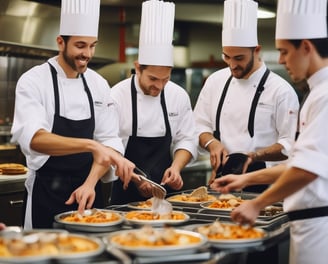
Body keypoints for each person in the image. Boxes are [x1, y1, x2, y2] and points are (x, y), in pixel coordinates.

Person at [211, 0, 328, 263]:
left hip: (319, 225)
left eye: (284, 51)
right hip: (309, 225)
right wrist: (244, 180)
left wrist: (257, 203)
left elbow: (307, 170)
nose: (282, 60)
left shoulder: (324, 96)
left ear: (306, 47)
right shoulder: (317, 93)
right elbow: (300, 162)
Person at [10, 0, 135, 229]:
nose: (87, 53)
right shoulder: (34, 81)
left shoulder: (98, 83)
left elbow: (110, 140)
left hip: (88, 193)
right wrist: (91, 145)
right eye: (80, 45)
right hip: (46, 192)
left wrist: (90, 183)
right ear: (60, 42)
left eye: (92, 46)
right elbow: (35, 139)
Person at [193, 0, 299, 193]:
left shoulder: (281, 91)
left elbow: (289, 144)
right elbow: (198, 126)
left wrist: (255, 155)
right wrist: (211, 143)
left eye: (239, 58)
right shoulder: (215, 81)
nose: (232, 65)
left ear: (256, 50)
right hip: (221, 182)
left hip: (266, 186)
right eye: (226, 56)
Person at [109, 0, 198, 205]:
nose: (159, 86)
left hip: (167, 195)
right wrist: (135, 178)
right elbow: (108, 146)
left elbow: (187, 139)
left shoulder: (178, 95)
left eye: (165, 79)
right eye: (152, 79)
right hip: (125, 192)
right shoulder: (117, 96)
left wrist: (176, 168)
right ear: (138, 67)